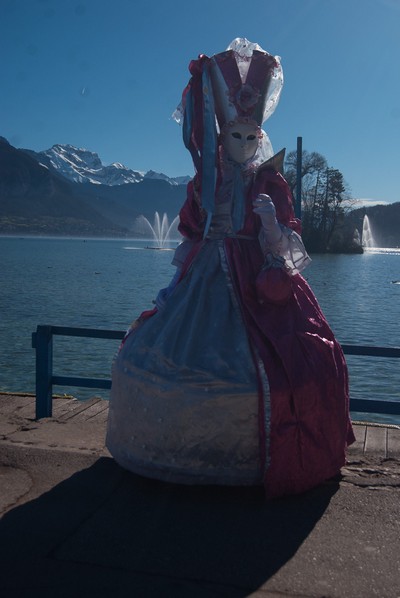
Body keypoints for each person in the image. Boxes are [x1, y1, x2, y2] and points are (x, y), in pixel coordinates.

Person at [106, 38, 355, 498]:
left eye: (250, 137)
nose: (243, 144)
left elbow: (286, 246)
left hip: (260, 276)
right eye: (234, 136)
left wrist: (267, 221)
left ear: (260, 138)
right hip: (209, 276)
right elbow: (194, 235)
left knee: (305, 361)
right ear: (221, 139)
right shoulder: (207, 184)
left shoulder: (272, 184)